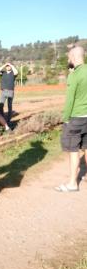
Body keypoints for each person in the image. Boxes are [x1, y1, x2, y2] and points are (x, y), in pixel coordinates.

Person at [55, 46, 87, 192]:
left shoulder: (74, 75)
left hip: (76, 117)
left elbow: (70, 100)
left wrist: (66, 118)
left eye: (69, 57)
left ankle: (73, 184)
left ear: (74, 57)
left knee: (73, 150)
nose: (68, 60)